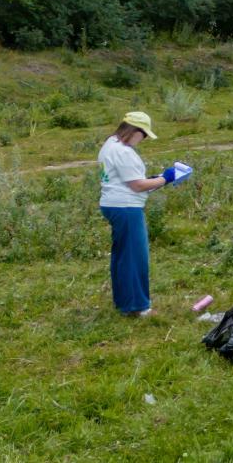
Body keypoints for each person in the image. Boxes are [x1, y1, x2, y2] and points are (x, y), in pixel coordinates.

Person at [98, 111, 192, 316]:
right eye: (144, 134)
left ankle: (123, 302)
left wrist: (156, 179)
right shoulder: (123, 151)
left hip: (113, 203)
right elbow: (138, 185)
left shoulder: (110, 144)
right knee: (135, 257)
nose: (144, 139)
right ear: (134, 131)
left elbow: (129, 180)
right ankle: (137, 307)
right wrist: (167, 178)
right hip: (126, 207)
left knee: (122, 255)